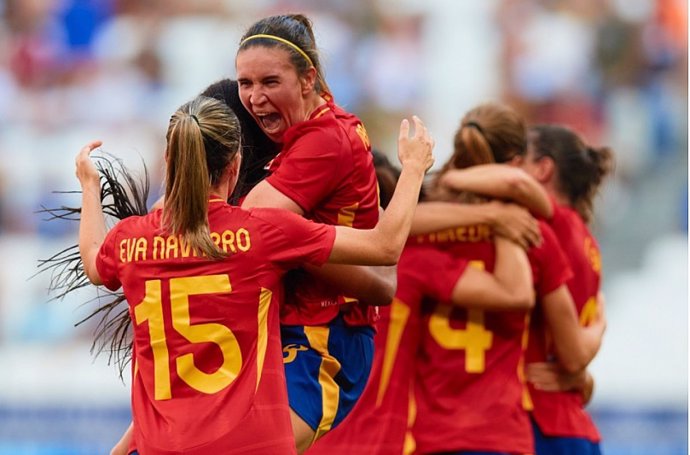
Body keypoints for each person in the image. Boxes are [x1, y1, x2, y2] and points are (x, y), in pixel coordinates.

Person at [77, 95, 434, 455]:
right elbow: (385, 247)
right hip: (250, 444)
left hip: (164, 446)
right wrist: (413, 168)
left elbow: (93, 262)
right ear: (236, 164)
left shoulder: (129, 240)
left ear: (169, 161)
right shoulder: (261, 232)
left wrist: (90, 186)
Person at [234, 14, 396, 451]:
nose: (255, 97)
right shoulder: (314, 129)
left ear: (308, 79)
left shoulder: (325, 140)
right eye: (245, 83)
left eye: (270, 81)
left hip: (321, 334)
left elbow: (252, 223)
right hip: (293, 324)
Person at [406, 103, 605, 455]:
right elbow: (572, 351)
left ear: (541, 170)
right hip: (539, 425)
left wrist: (441, 177)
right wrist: (596, 340)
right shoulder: (556, 237)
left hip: (508, 421)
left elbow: (390, 229)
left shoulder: (426, 237)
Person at [305, 151, 535, 455]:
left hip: (309, 436)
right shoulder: (414, 263)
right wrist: (497, 214)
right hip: (384, 442)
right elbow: (516, 293)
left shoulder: (299, 265)